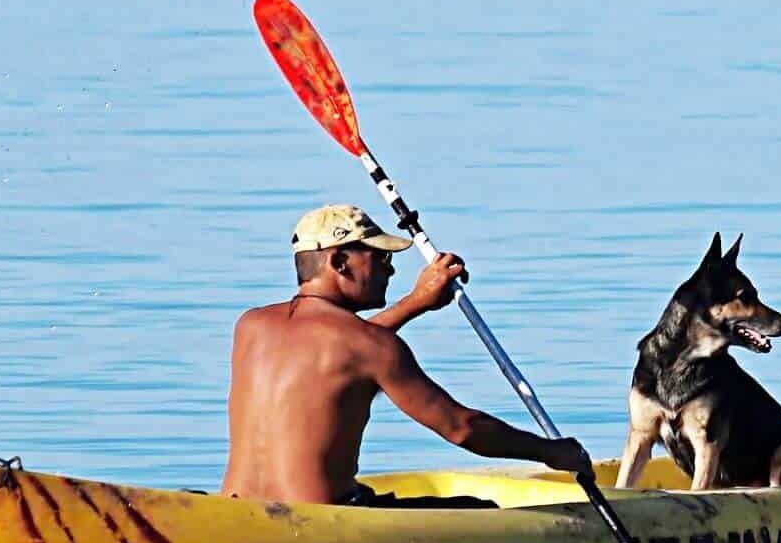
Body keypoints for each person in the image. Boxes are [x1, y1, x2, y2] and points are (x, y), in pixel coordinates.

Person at [221, 203, 591, 506]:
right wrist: (550, 451)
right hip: (322, 524)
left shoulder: (251, 327)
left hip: (237, 513)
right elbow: (461, 429)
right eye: (379, 258)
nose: (391, 268)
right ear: (339, 262)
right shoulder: (370, 346)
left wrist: (416, 303)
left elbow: (335, 351)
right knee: (482, 511)